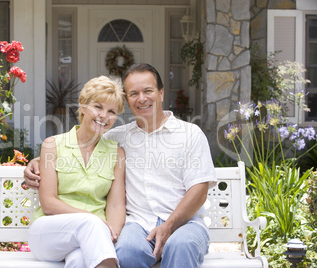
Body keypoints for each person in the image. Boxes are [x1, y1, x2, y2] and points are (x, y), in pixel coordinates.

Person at [25, 63, 217, 268]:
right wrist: (37, 162)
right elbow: (79, 144)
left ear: (161, 93)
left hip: (184, 224)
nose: (141, 98)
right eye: (134, 93)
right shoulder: (117, 137)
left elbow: (199, 190)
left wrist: (168, 226)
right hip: (138, 224)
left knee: (180, 245)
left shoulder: (190, 134)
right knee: (127, 252)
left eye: (148, 91)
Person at [28, 76, 126, 268]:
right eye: (98, 107)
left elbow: (115, 206)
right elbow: (48, 203)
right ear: (82, 106)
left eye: (112, 111)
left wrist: (112, 233)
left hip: (94, 236)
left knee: (80, 261)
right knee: (89, 225)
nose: (104, 116)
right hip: (49, 232)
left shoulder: (117, 154)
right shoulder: (53, 145)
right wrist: (93, 219)